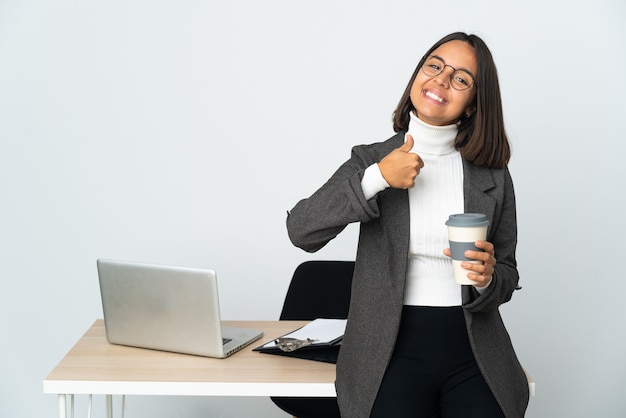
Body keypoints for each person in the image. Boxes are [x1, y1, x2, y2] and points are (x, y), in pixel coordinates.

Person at [286, 32, 529, 418]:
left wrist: (485, 278)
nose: (442, 79)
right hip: (388, 350)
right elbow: (301, 230)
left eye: (462, 78)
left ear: (472, 106)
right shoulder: (371, 160)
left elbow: (507, 274)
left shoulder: (493, 176)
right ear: (417, 75)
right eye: (434, 65)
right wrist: (377, 178)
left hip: (473, 348)